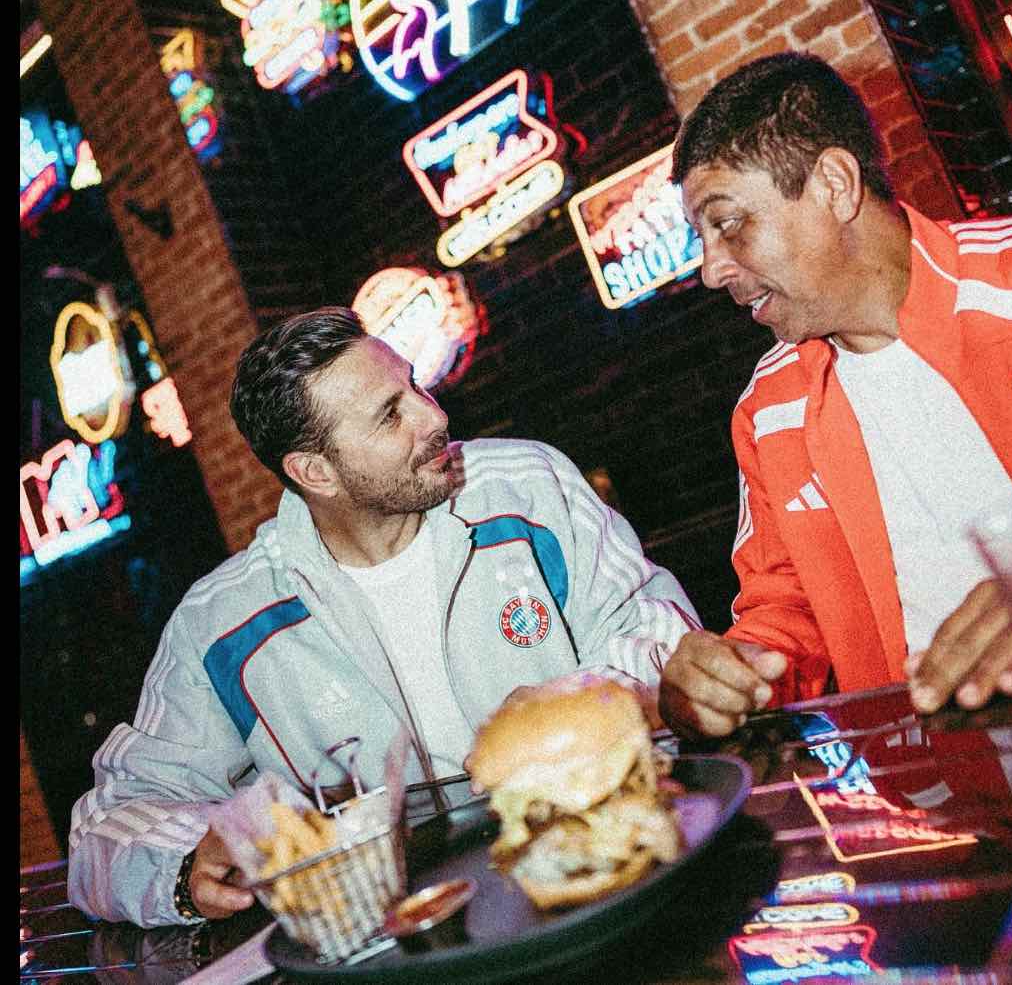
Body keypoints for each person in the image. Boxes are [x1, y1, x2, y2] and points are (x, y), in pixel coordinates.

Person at [68, 308, 699, 927]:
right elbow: (111, 818)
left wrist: (581, 701)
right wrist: (182, 863)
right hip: (398, 942)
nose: (435, 416)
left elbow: (655, 623)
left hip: (601, 878)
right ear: (315, 472)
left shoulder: (528, 485)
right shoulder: (221, 620)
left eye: (414, 385)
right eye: (390, 414)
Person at [658, 51, 1012, 741]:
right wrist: (727, 676)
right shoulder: (767, 410)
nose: (712, 270)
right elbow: (784, 611)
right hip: (940, 787)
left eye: (729, 222)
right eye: (701, 237)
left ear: (834, 185)